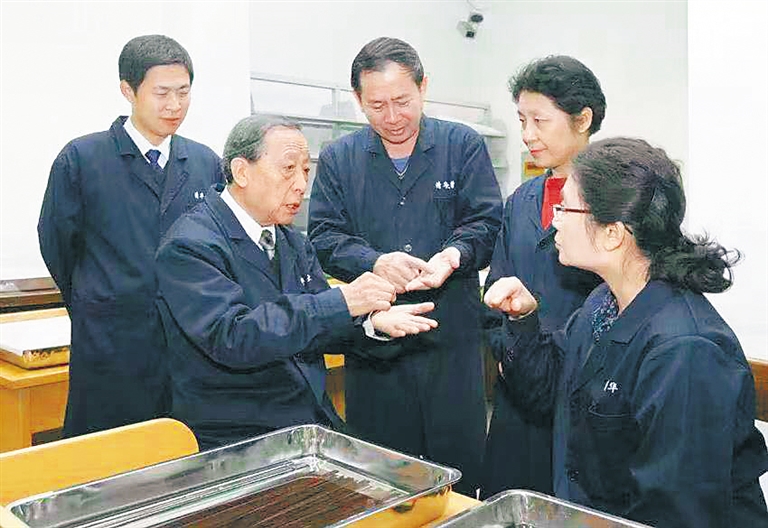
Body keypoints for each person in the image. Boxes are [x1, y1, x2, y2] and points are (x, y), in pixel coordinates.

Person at [484, 137, 768, 527]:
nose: (554, 221)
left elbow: (676, 511)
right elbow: (543, 392)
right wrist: (524, 319)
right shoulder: (603, 302)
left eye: (565, 208)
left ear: (612, 233)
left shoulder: (684, 349)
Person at [155, 115, 439, 450]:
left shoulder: (292, 241)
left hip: (308, 421)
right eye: (288, 169)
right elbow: (234, 336)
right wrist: (342, 302)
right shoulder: (190, 245)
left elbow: (318, 325)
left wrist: (370, 323)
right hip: (237, 436)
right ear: (242, 171)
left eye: (305, 170)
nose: (302, 184)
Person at [308, 36, 502, 495]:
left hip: (450, 341)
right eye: (377, 105)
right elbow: (324, 237)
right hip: (374, 346)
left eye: (403, 101)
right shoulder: (339, 159)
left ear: (423, 87)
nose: (392, 117)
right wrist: (375, 261)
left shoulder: (462, 145)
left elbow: (487, 223)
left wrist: (453, 256)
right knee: (382, 480)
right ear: (358, 100)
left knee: (458, 475)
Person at [37, 35, 224, 437]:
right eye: (161, 93)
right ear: (128, 90)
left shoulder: (205, 163)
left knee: (183, 454)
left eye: (183, 92)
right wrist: (100, 300)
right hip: (110, 347)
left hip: (188, 348)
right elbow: (57, 245)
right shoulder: (82, 160)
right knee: (106, 458)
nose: (174, 105)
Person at [481, 55, 605, 498]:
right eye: (522, 120)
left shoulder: (613, 203)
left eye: (540, 120)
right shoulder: (521, 201)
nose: (528, 135)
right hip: (517, 392)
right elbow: (494, 293)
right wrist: (508, 353)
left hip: (583, 399)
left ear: (582, 120)